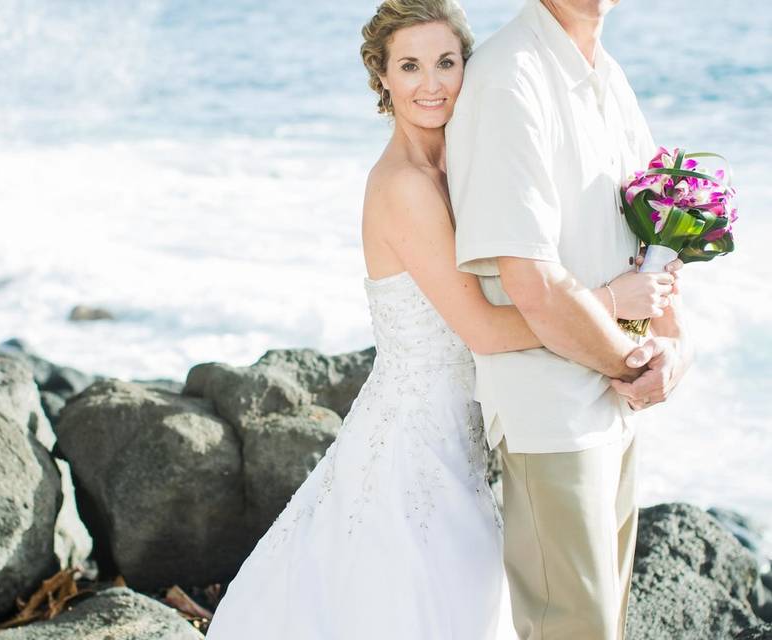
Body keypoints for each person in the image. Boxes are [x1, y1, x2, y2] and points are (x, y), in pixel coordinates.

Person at [205, 1, 682, 638]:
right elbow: (483, 328)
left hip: (472, 427)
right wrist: (610, 304)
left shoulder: (460, 167)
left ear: (467, 65)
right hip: (417, 436)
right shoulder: (403, 185)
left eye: (446, 62)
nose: (431, 84)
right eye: (409, 66)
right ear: (382, 77)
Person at [445, 0, 693, 638]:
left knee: (604, 623)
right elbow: (531, 282)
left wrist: (673, 349)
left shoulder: (608, 75)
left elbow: (655, 238)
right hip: (551, 410)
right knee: (573, 629)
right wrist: (629, 362)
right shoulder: (509, 77)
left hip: (615, 400)